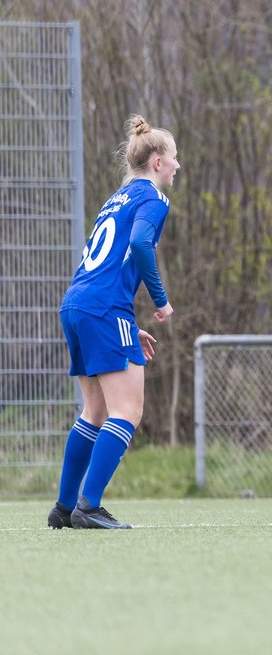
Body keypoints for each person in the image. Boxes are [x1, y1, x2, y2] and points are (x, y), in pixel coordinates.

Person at [48, 115, 178, 530]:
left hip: (78, 304)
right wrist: (160, 302)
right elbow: (140, 245)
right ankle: (89, 506)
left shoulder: (117, 197)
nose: (178, 165)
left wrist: (123, 321)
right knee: (128, 410)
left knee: (95, 410)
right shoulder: (154, 199)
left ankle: (65, 508)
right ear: (157, 162)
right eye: (174, 157)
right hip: (104, 309)